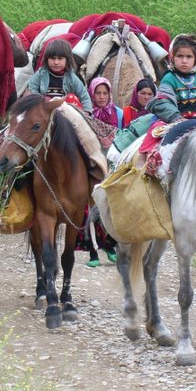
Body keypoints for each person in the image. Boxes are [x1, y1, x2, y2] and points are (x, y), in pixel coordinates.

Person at [77, 77, 121, 267]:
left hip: (111, 164)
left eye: (105, 93)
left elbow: (122, 134)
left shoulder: (118, 113)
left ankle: (110, 245)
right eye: (98, 93)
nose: (102, 97)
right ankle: (93, 252)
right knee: (90, 208)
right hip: (93, 165)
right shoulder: (88, 115)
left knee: (110, 206)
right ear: (91, 94)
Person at [147, 33, 196, 123]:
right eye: (180, 56)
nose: (184, 61)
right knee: (153, 135)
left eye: (189, 57)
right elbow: (163, 101)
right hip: (174, 122)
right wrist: (175, 117)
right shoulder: (169, 79)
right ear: (172, 57)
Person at [26, 39, 92, 112]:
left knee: (71, 98)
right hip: (44, 110)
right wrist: (43, 100)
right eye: (52, 58)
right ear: (46, 59)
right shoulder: (41, 74)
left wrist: (87, 112)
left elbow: (84, 95)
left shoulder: (71, 77)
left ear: (67, 60)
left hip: (64, 112)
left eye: (60, 59)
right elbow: (32, 89)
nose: (56, 62)